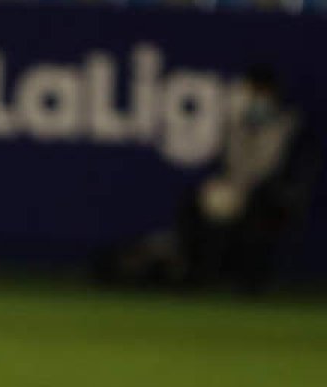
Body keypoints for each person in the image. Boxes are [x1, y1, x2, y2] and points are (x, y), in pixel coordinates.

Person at [93, 65, 322, 293]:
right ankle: (197, 271)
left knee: (259, 209)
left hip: (269, 195)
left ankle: (251, 280)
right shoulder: (236, 123)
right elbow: (226, 165)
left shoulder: (290, 125)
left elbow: (289, 171)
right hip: (236, 190)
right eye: (251, 91)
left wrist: (256, 190)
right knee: (195, 201)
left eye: (260, 92)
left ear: (272, 93)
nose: (254, 98)